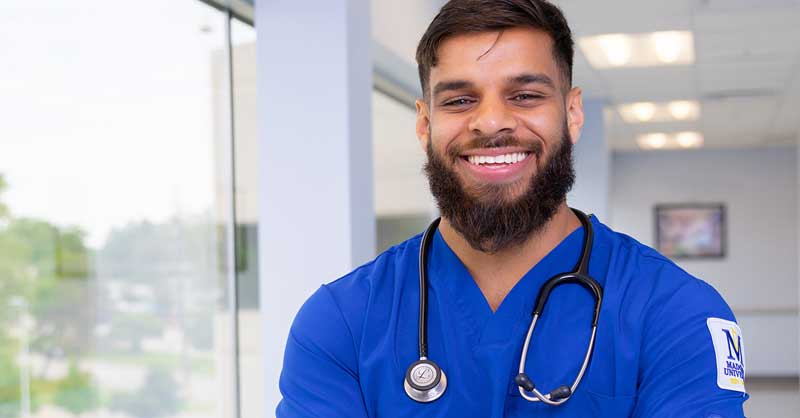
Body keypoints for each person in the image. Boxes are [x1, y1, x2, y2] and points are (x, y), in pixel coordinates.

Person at [276, 0, 748, 416]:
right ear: (424, 125)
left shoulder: (673, 311)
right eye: (460, 100)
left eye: (525, 95)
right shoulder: (341, 322)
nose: (492, 122)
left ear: (572, 113)